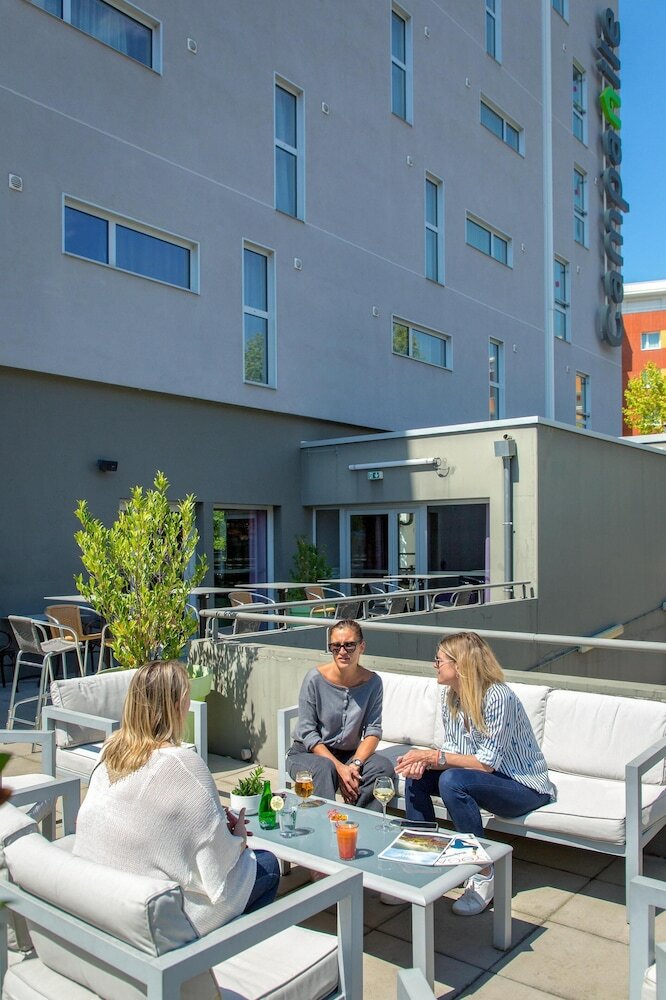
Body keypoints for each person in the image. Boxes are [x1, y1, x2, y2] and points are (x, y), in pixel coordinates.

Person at [74, 660, 280, 935]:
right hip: (157, 917)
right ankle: (225, 947)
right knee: (267, 865)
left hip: (100, 894)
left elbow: (147, 817)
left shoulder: (110, 749)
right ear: (176, 706)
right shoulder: (182, 764)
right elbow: (220, 862)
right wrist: (239, 839)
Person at [395, 632, 554, 916]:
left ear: (460, 665)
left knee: (452, 781)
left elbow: (486, 764)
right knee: (416, 775)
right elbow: (455, 751)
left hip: (524, 787)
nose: (435, 665)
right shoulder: (451, 696)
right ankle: (421, 862)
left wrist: (434, 757)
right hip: (486, 779)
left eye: (439, 660)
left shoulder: (497, 696)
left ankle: (482, 873)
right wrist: (423, 762)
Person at [287, 619, 395, 810]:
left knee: (382, 767)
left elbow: (373, 730)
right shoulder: (314, 679)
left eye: (349, 645)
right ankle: (322, 828)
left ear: (362, 647)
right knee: (324, 768)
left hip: (348, 754)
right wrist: (339, 768)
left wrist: (354, 765)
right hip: (308, 753)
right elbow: (308, 733)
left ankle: (359, 823)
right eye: (336, 646)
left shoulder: (373, 682)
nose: (342, 651)